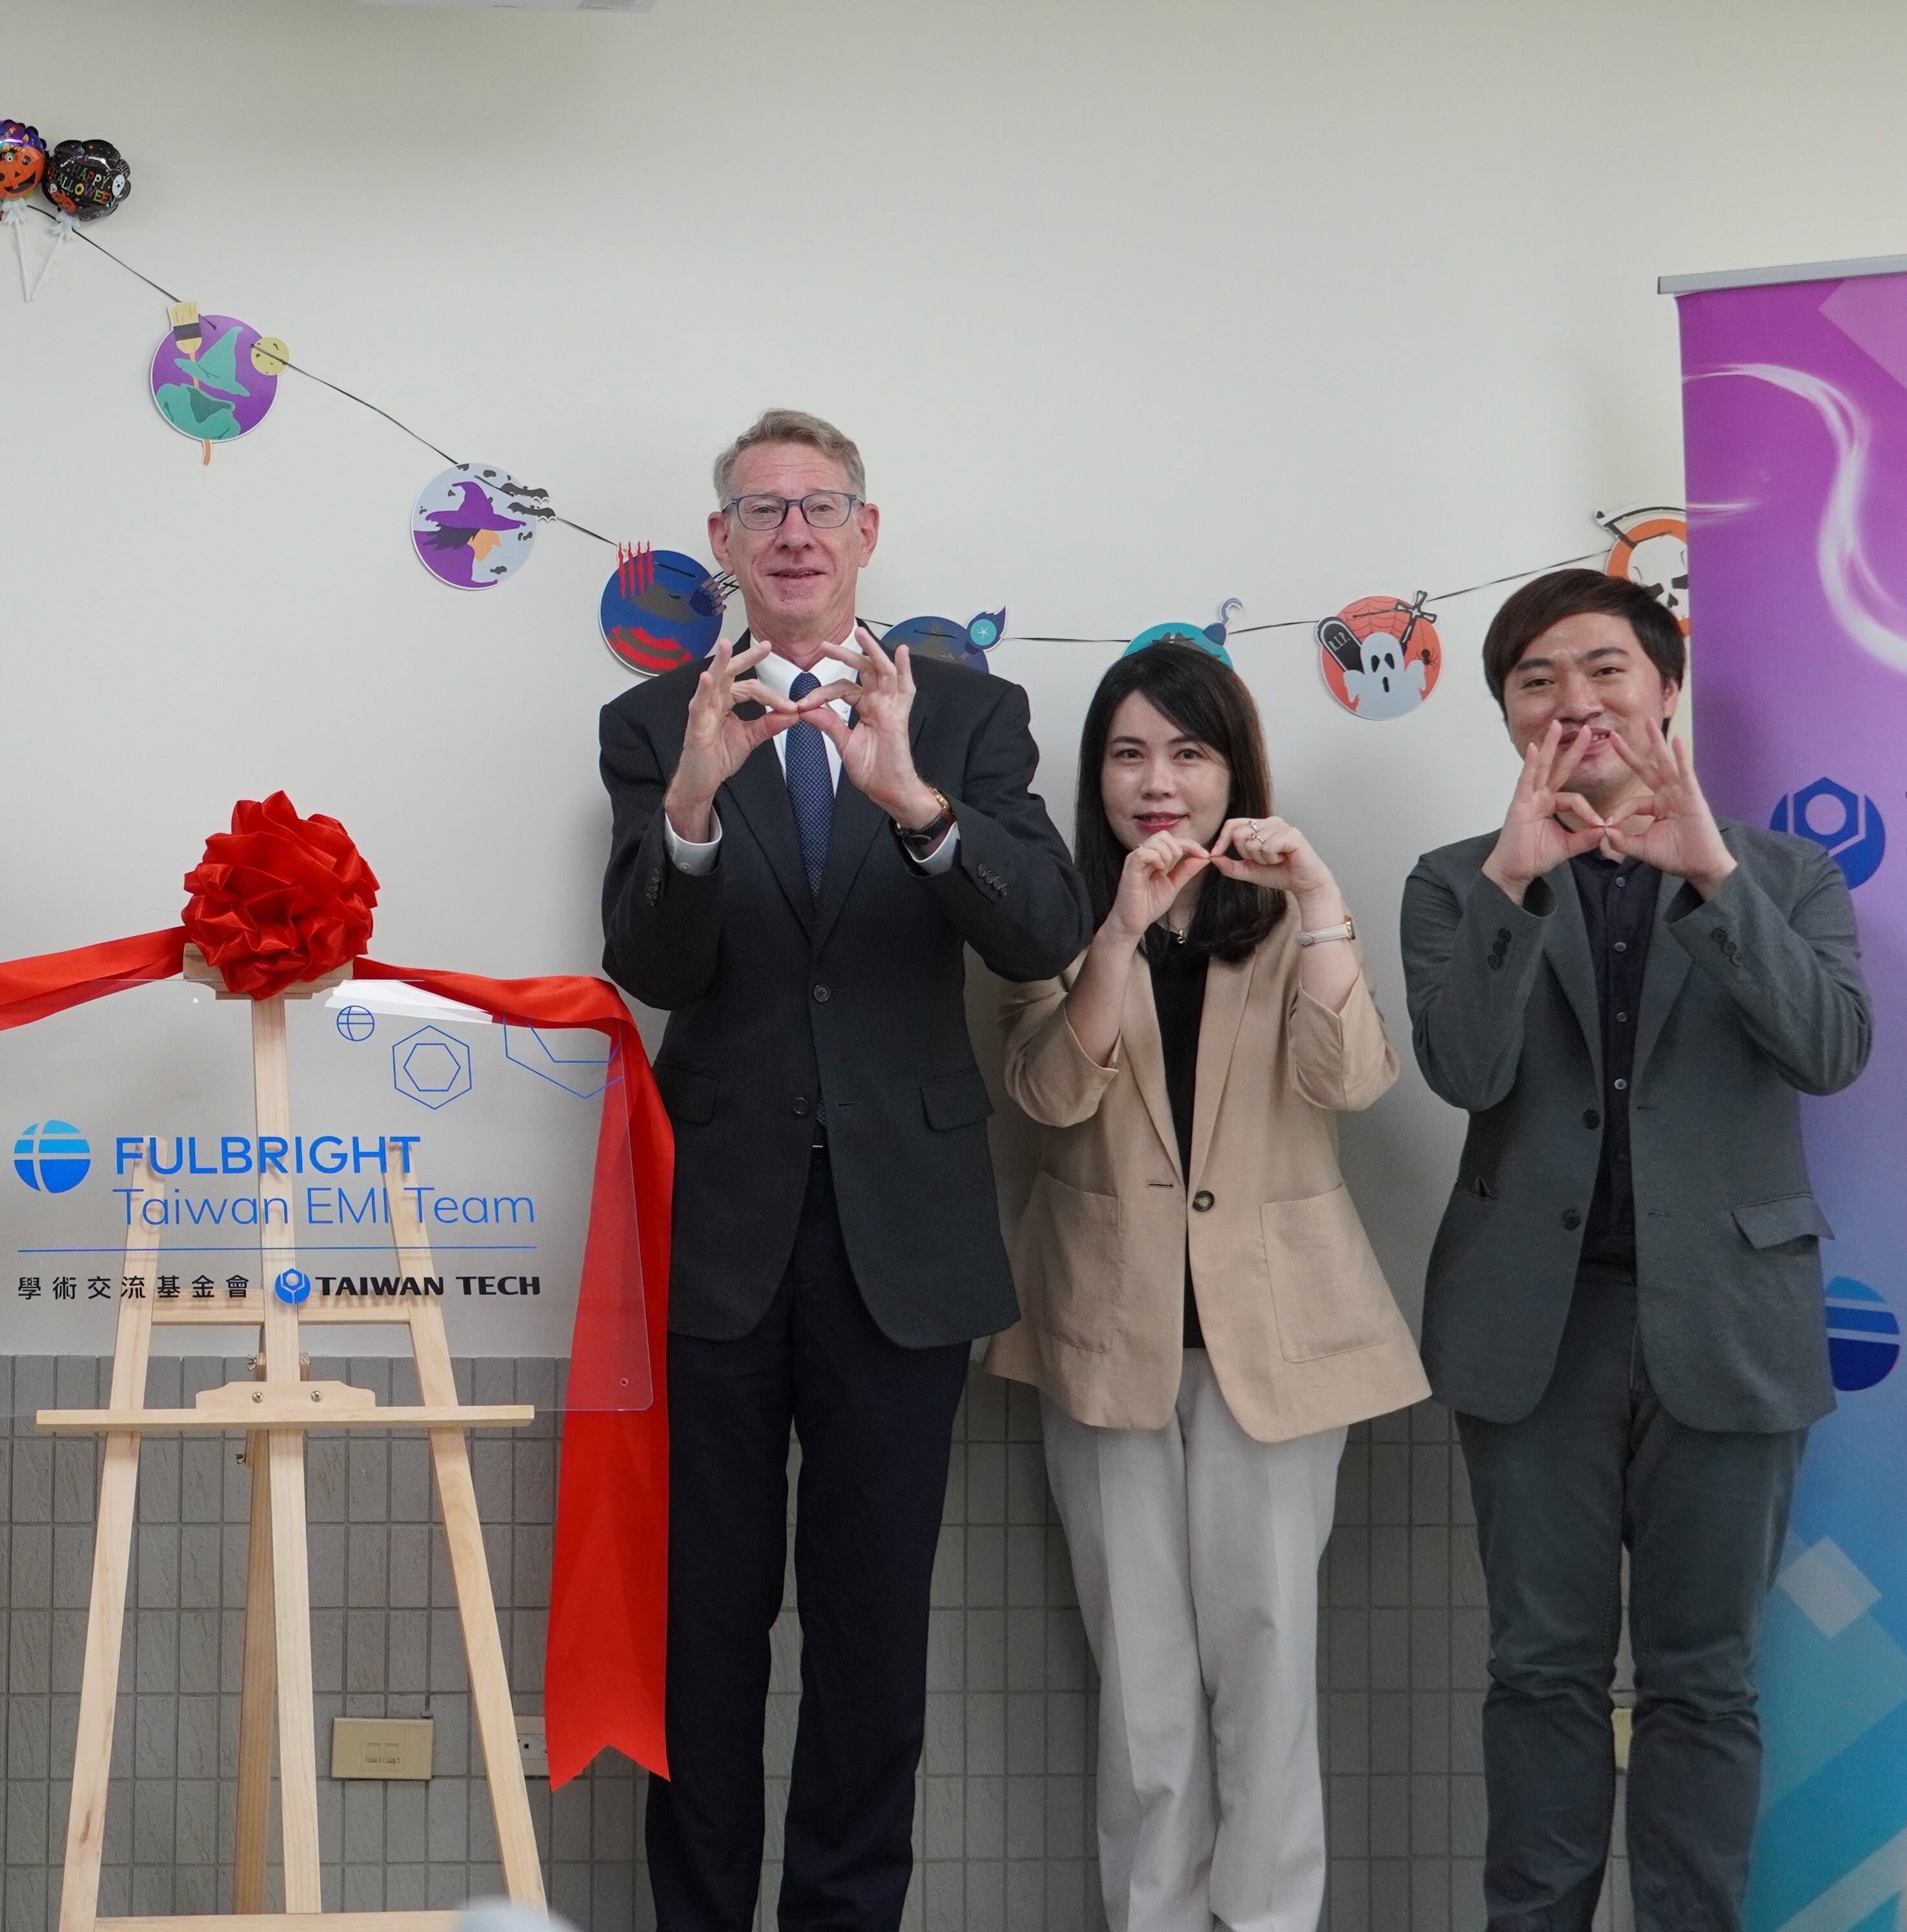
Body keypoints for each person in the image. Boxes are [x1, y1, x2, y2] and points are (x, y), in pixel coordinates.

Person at [597, 409, 1092, 1930]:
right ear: (728, 547)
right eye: (763, 511)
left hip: (907, 1234)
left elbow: (1045, 933)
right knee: (709, 1627)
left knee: (874, 1633)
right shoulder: (652, 724)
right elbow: (653, 964)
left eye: (822, 507)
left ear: (869, 535)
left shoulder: (968, 714)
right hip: (721, 1235)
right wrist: (690, 805)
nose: (795, 533)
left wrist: (915, 806)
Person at [1403, 568, 1870, 1931]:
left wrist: (1710, 873)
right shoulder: (1458, 882)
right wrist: (1513, 880)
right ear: (1508, 718)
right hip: (1530, 1330)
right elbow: (1464, 1069)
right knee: (1540, 1672)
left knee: (1704, 1680)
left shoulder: (1782, 872)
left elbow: (1830, 1050)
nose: (1576, 701)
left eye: (1605, 669)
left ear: (1663, 691)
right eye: (1537, 681)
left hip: (1726, 1322)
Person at [985, 641, 1427, 1932]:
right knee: (1144, 1688)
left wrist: (1328, 896)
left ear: (1234, 768)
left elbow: (1350, 1082)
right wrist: (1117, 931)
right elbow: (1050, 1093)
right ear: (1096, 778)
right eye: (1128, 754)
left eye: (1188, 751)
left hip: (1279, 1341)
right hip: (1103, 1336)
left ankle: (1272, 1922)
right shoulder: (1042, 918)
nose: (1157, 780)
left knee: (1269, 1659)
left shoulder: (1291, 911)